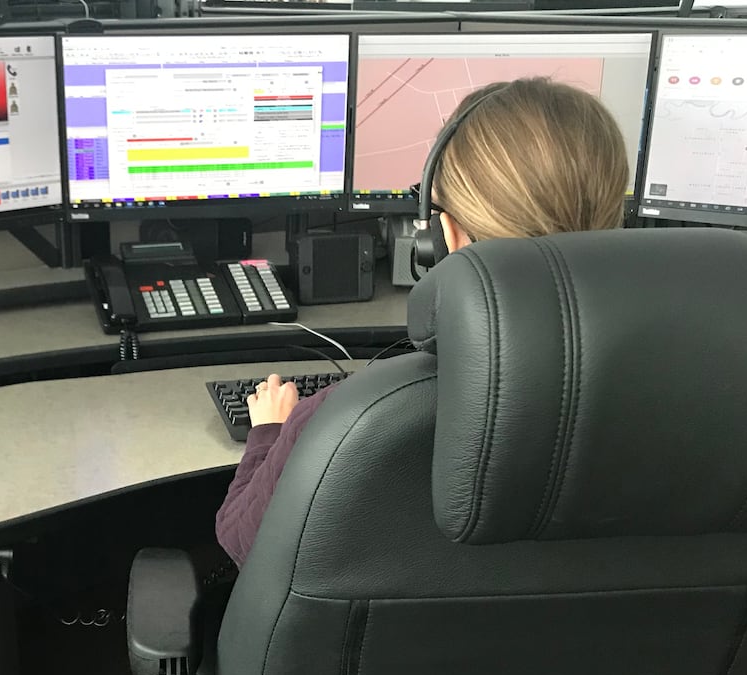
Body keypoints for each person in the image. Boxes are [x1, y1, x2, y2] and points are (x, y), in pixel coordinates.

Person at [215, 77, 631, 566]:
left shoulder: (358, 414)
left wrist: (272, 431)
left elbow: (242, 543)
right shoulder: (695, 397)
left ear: (443, 236)